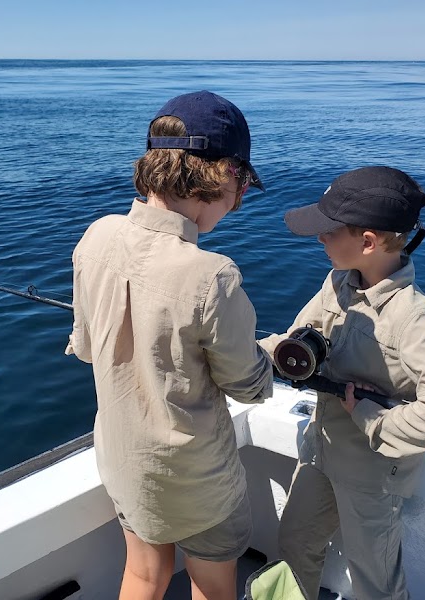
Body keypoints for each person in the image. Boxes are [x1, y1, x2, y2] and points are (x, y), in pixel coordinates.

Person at [66, 91, 274, 600]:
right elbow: (248, 387)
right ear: (225, 176)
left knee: (142, 575)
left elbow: (90, 347)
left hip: (124, 460)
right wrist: (269, 351)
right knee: (212, 587)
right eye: (242, 184)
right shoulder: (213, 276)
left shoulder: (95, 237)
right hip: (197, 479)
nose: (238, 202)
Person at [259, 166, 425, 600]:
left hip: (371, 474)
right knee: (294, 545)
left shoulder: (410, 315)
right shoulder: (339, 281)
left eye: (328, 231)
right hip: (320, 451)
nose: (319, 238)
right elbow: (298, 338)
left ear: (368, 242)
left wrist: (373, 419)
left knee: (374, 577)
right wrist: (244, 354)